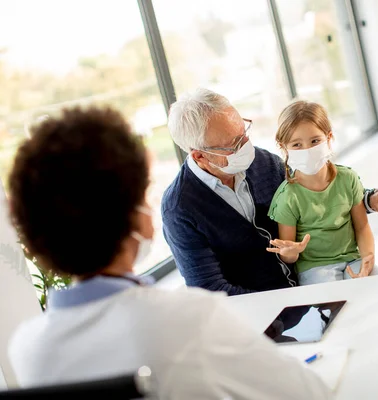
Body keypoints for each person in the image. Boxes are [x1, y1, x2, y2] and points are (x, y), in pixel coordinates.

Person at [7, 106, 332, 400]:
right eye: (145, 192)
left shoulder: (26, 349)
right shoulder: (189, 319)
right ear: (137, 217)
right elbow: (309, 392)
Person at [162, 88, 378, 295]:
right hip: (264, 309)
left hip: (307, 281)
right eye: (233, 145)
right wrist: (283, 305)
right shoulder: (180, 208)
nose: (246, 146)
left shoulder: (261, 162)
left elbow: (311, 189)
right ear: (200, 156)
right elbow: (210, 290)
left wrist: (368, 200)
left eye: (243, 133)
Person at [267, 101, 375, 285]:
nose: (307, 150)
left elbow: (362, 227)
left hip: (354, 259)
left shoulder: (348, 179)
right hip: (315, 269)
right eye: (297, 144)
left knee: (376, 285)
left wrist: (367, 260)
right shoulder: (287, 197)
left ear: (329, 138)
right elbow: (289, 255)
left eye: (315, 141)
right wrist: (290, 253)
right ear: (284, 148)